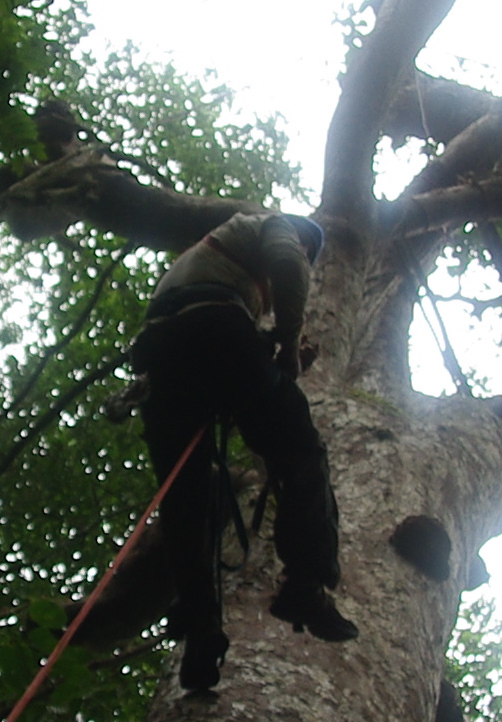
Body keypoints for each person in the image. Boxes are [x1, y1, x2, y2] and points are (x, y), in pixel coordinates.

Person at [130, 208, 358, 692]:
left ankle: (200, 632)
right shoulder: (271, 225)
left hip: (164, 355)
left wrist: (266, 347)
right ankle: (305, 581)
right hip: (214, 333)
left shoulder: (213, 260)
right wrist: (290, 346)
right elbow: (287, 263)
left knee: (186, 499)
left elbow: (227, 336)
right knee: (300, 447)